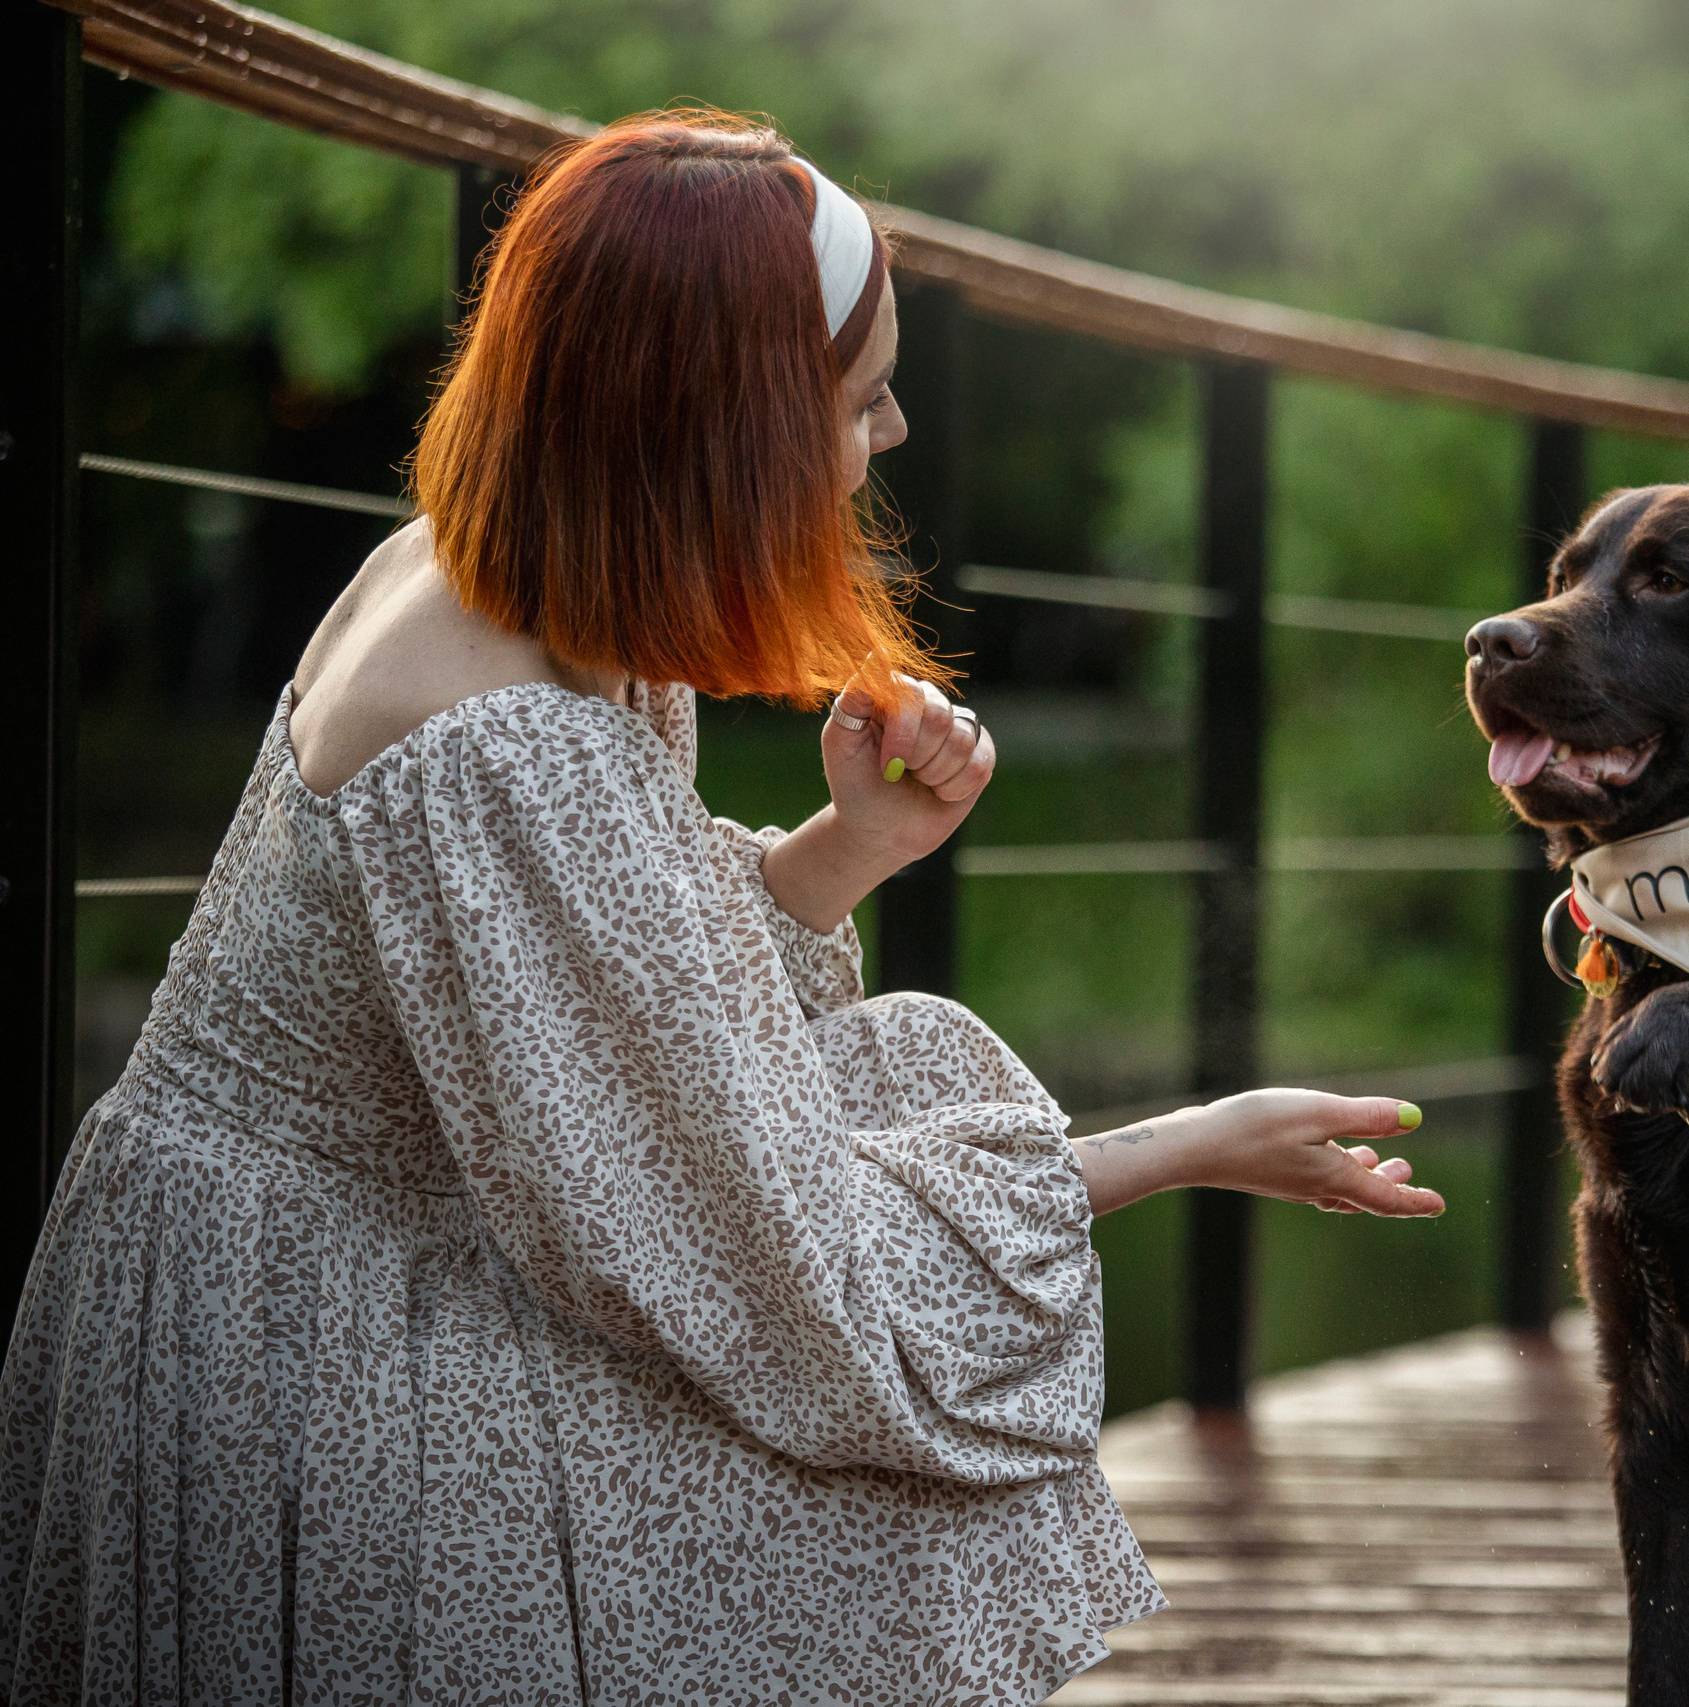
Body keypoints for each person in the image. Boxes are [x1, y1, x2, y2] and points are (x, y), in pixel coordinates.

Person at [0, 110, 1444, 1704]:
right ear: (720, 420)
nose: (890, 434)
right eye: (863, 393)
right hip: (298, 1336)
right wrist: (1189, 1146)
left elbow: (619, 991)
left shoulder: (497, 579)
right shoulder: (511, 739)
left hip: (335, 1259)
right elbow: (752, 1241)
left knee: (878, 1110)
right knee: (838, 1465)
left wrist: (843, 849)